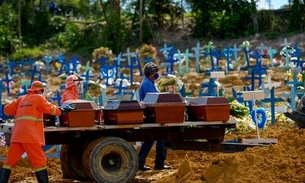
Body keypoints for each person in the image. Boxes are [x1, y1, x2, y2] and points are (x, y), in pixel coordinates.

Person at [0, 81, 76, 183]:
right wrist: (62, 111)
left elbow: (6, 110)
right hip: (30, 136)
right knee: (39, 162)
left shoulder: (21, 99)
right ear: (40, 90)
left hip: (17, 136)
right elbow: (51, 109)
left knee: (8, 162)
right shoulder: (38, 98)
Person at [138, 62, 172, 171]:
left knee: (150, 139)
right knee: (161, 137)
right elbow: (154, 99)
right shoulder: (147, 84)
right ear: (151, 73)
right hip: (152, 115)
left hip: (154, 114)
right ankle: (159, 163)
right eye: (155, 72)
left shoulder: (151, 83)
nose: (157, 74)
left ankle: (140, 161)